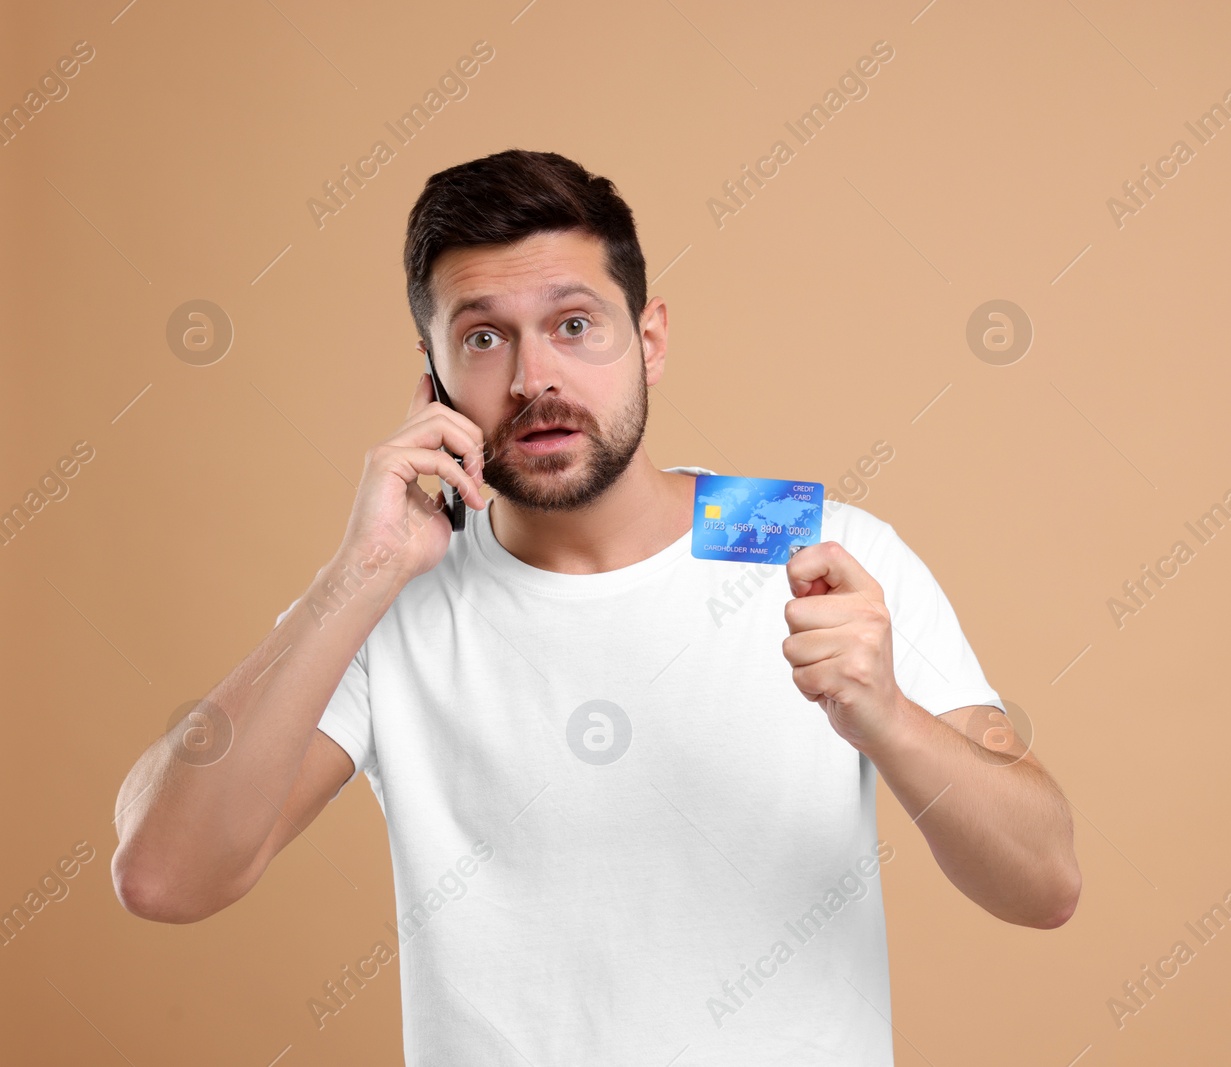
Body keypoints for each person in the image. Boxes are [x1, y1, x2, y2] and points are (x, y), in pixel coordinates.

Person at [110, 149, 1080, 1064]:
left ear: (648, 340)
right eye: (483, 337)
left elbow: (1042, 883)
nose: (536, 378)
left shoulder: (809, 547)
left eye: (575, 324)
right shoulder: (389, 591)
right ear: (433, 375)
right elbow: (164, 876)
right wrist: (359, 572)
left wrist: (888, 718)